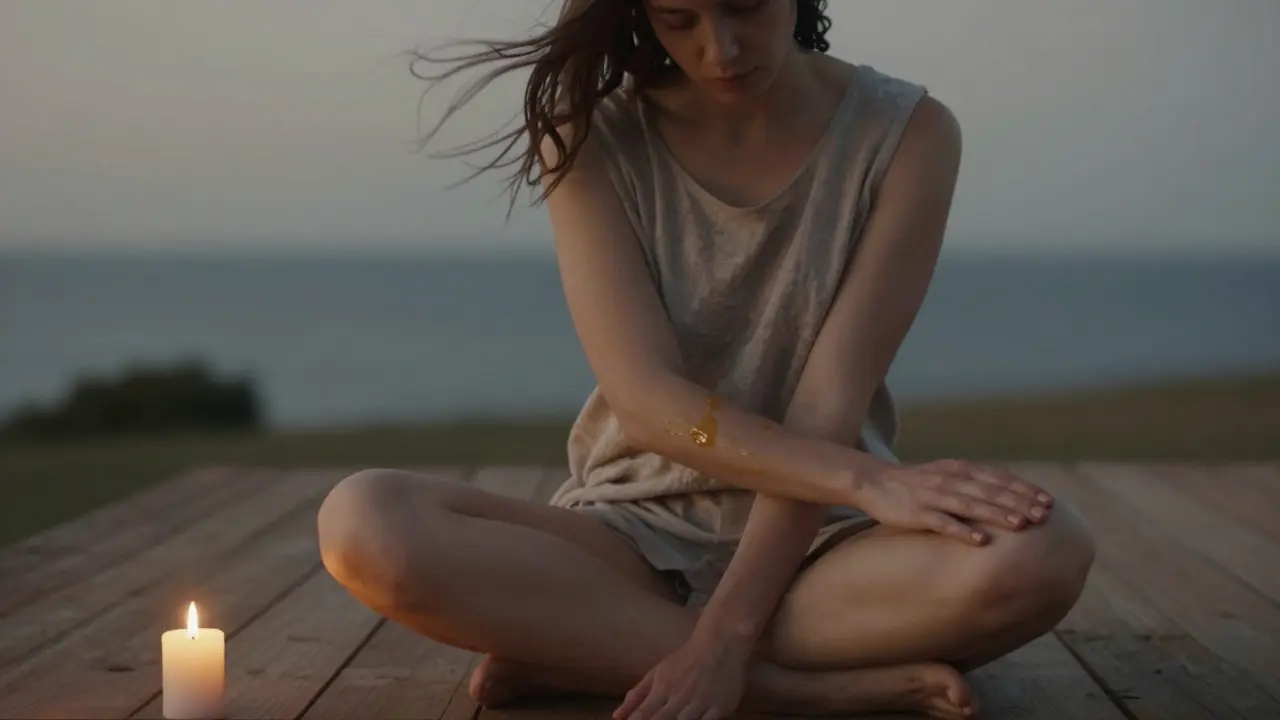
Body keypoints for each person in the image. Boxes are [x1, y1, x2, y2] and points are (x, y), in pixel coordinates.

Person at [317, 1, 1096, 718]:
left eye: (747, 6)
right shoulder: (589, 131)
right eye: (679, 17)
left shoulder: (911, 134)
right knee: (364, 523)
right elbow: (654, 412)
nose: (718, 48)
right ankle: (793, 695)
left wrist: (730, 628)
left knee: (1049, 553)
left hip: (823, 543)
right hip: (633, 531)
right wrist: (865, 479)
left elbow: (827, 405)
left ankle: (585, 650)